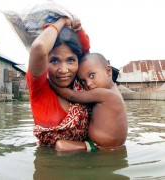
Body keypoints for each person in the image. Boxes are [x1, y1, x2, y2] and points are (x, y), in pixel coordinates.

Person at [26, 17, 91, 147]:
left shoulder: (84, 85)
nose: (63, 70)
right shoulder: (39, 89)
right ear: (45, 62)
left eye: (71, 60)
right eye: (55, 60)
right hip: (50, 165)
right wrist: (62, 21)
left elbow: (85, 49)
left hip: (88, 164)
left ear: (78, 61)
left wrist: (77, 28)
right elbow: (39, 47)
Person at [51, 53, 128, 152]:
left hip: (101, 147)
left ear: (108, 71)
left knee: (60, 145)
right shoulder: (113, 91)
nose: (88, 83)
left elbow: (71, 96)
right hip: (111, 146)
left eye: (92, 75)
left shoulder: (104, 93)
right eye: (83, 81)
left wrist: (52, 82)